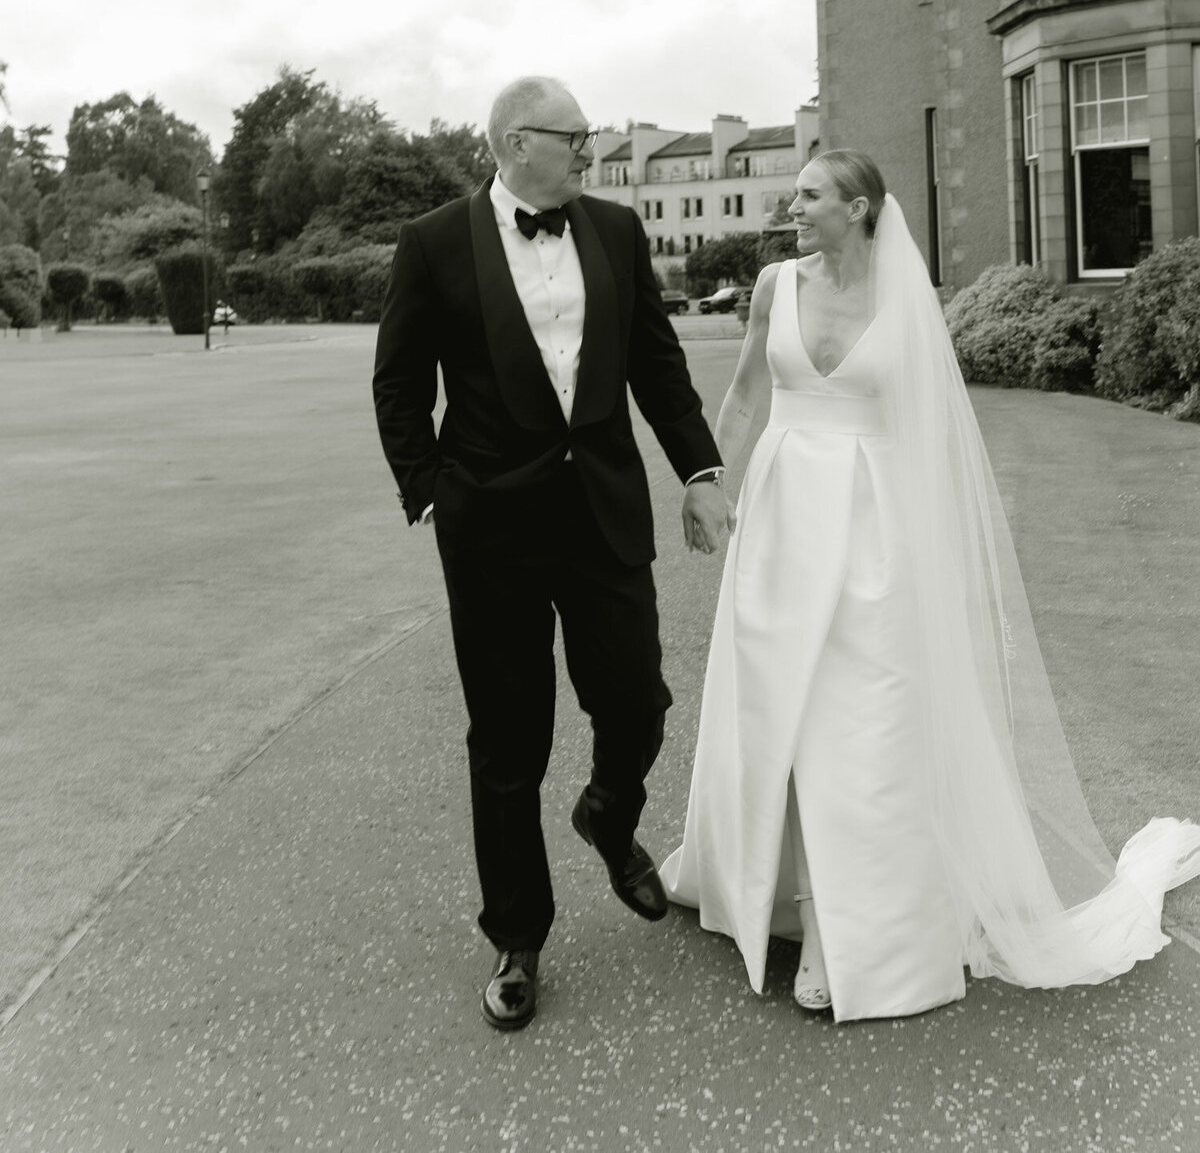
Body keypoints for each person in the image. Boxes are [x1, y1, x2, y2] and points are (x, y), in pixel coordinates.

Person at [661, 150, 1200, 1022]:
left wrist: (933, 551)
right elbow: (743, 393)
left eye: (808, 195)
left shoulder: (908, 302)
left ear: (861, 208)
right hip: (783, 518)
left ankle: (844, 931)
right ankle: (765, 882)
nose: (790, 207)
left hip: (876, 529)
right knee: (773, 707)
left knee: (860, 722)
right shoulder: (772, 285)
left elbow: (932, 436)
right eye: (792, 193)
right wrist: (710, 483)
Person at [373, 76, 731, 1032]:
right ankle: (518, 936)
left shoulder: (614, 232)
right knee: (507, 741)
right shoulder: (436, 242)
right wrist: (429, 492)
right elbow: (399, 380)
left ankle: (609, 814)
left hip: (604, 518)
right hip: (489, 529)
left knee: (639, 702)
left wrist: (698, 470)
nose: (592, 151)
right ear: (514, 143)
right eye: (577, 137)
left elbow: (656, 360)